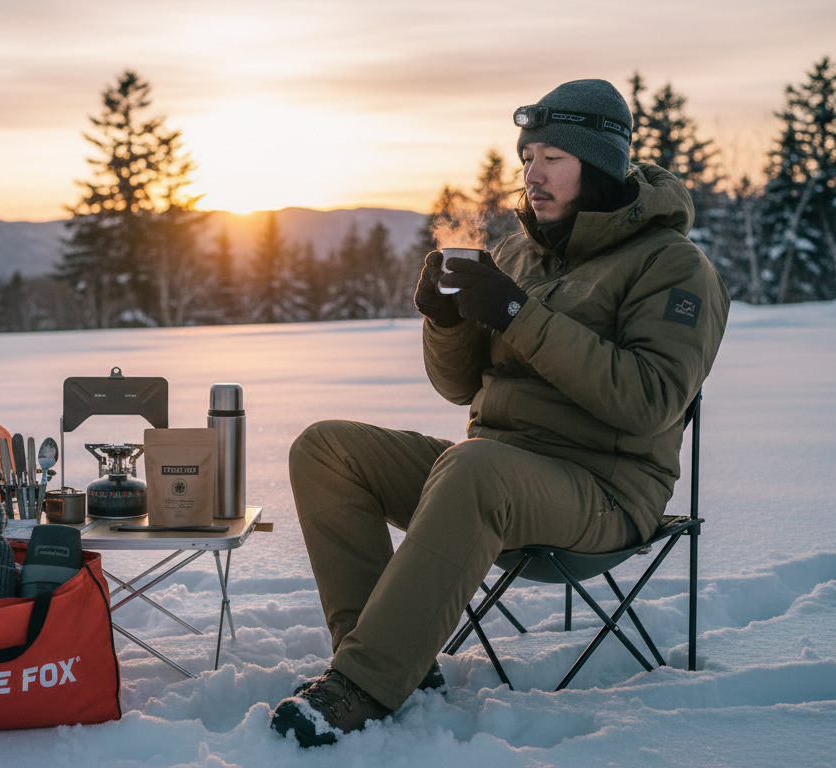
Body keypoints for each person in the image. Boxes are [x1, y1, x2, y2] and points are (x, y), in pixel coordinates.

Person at [270, 78, 730, 748]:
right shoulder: (519, 253)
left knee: (475, 467)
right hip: (490, 477)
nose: (532, 175)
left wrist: (517, 313)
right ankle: (390, 657)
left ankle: (364, 687)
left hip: (605, 491)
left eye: (553, 158)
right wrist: (445, 319)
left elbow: (649, 402)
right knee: (326, 450)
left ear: (600, 165)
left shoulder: (673, 266)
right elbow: (459, 389)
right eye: (527, 157)